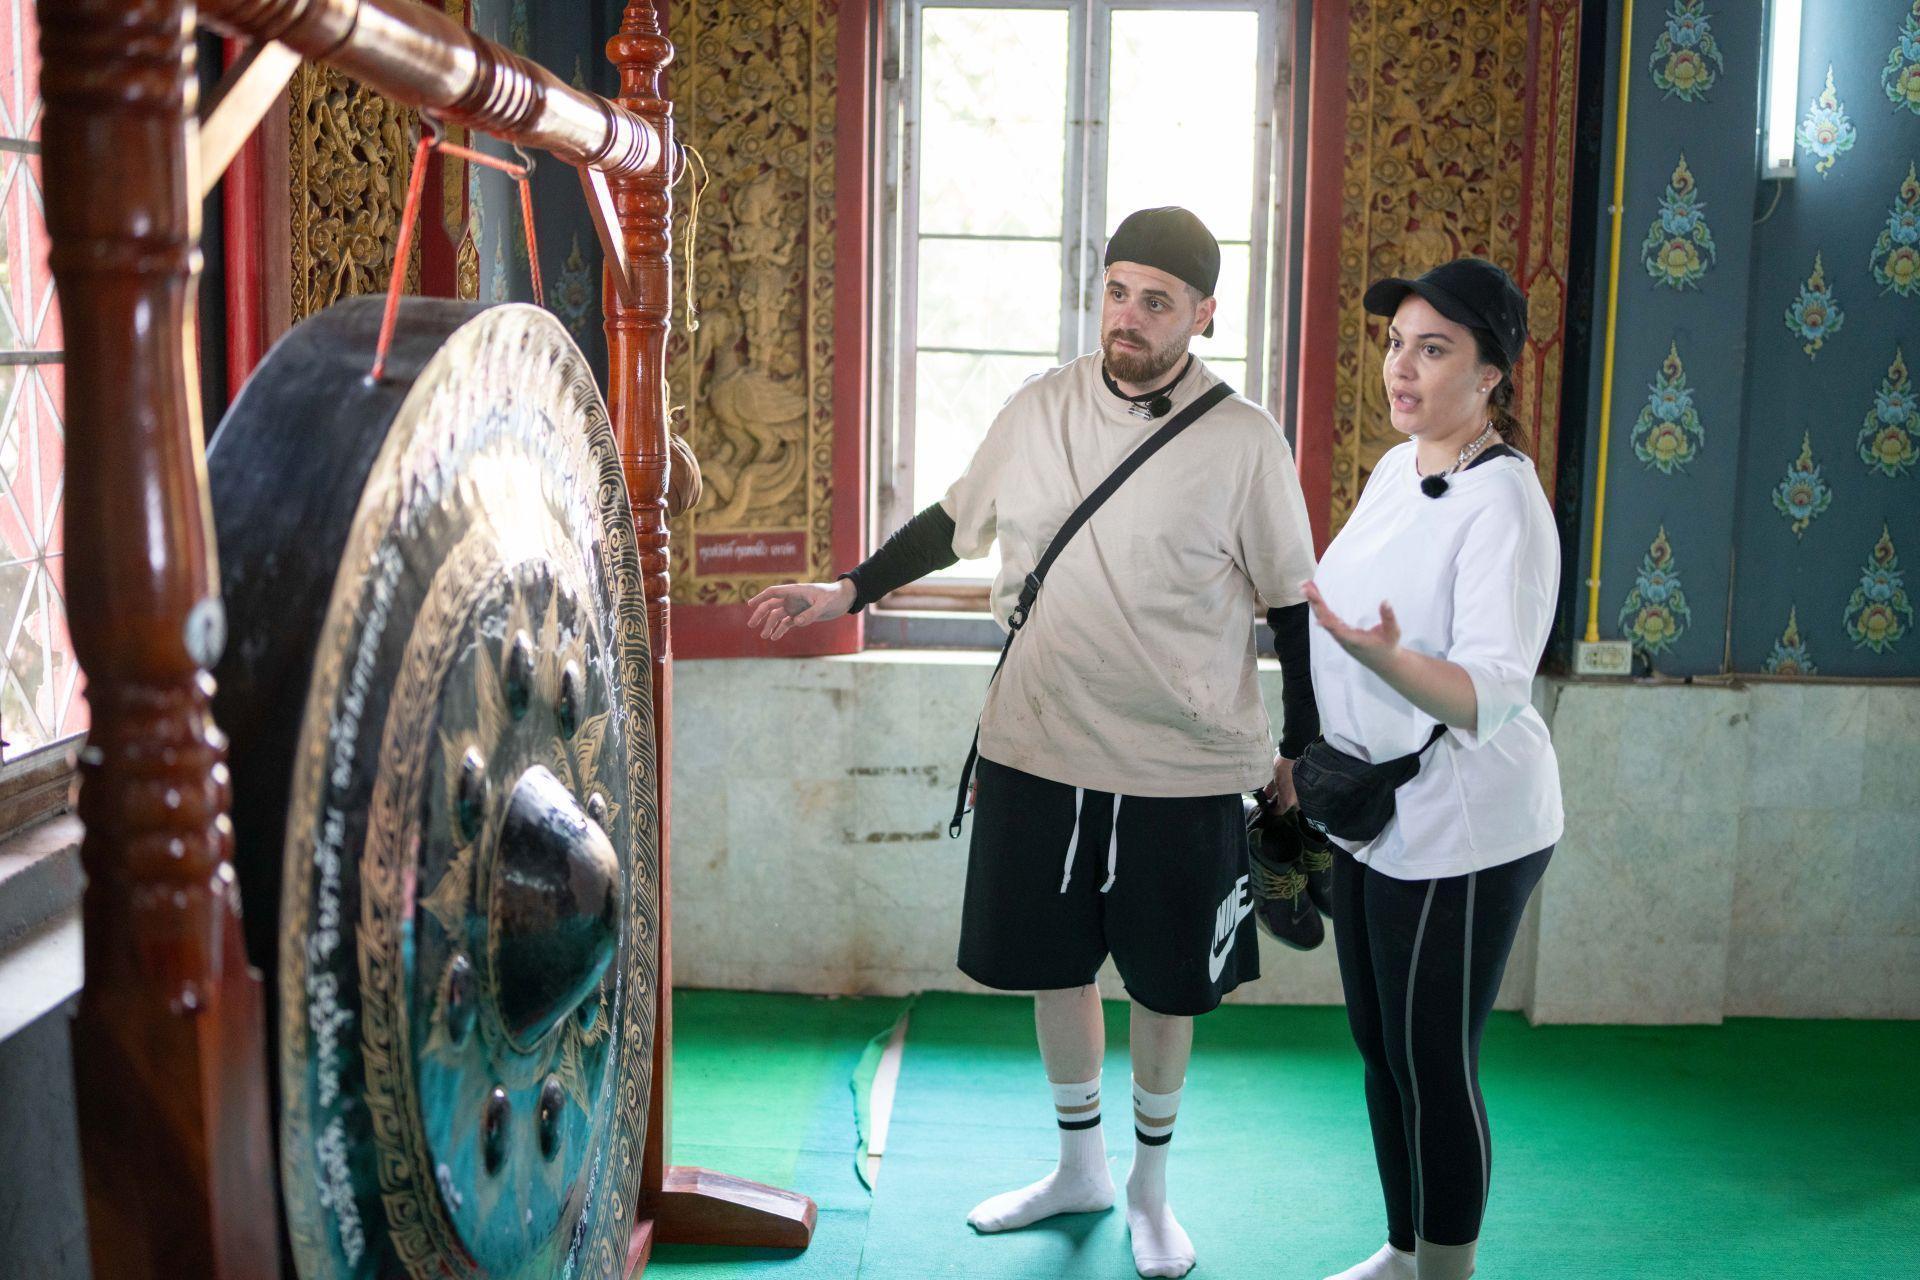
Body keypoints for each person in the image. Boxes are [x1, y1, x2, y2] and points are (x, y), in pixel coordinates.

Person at [744, 207, 1319, 1279]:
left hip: (1184, 762)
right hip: (1041, 741)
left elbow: (1292, 602)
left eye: (1157, 301)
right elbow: (953, 522)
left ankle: (1150, 1189)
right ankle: (1079, 1168)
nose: (1129, 317)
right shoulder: (1038, 408)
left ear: (1204, 313)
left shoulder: (1245, 440)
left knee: (1168, 985)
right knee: (1057, 965)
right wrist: (849, 589)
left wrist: (1301, 746)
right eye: (1117, 291)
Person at [1301, 258, 1563, 1280]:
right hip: (1375, 809)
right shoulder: (1396, 469)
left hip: (1468, 822)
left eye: (1434, 349)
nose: (1400, 367)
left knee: (1434, 1062)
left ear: (1491, 373)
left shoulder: (1505, 503)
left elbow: (1493, 692)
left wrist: (1385, 659)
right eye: (1395, 343)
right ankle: (1405, 1251)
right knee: (1382, 1048)